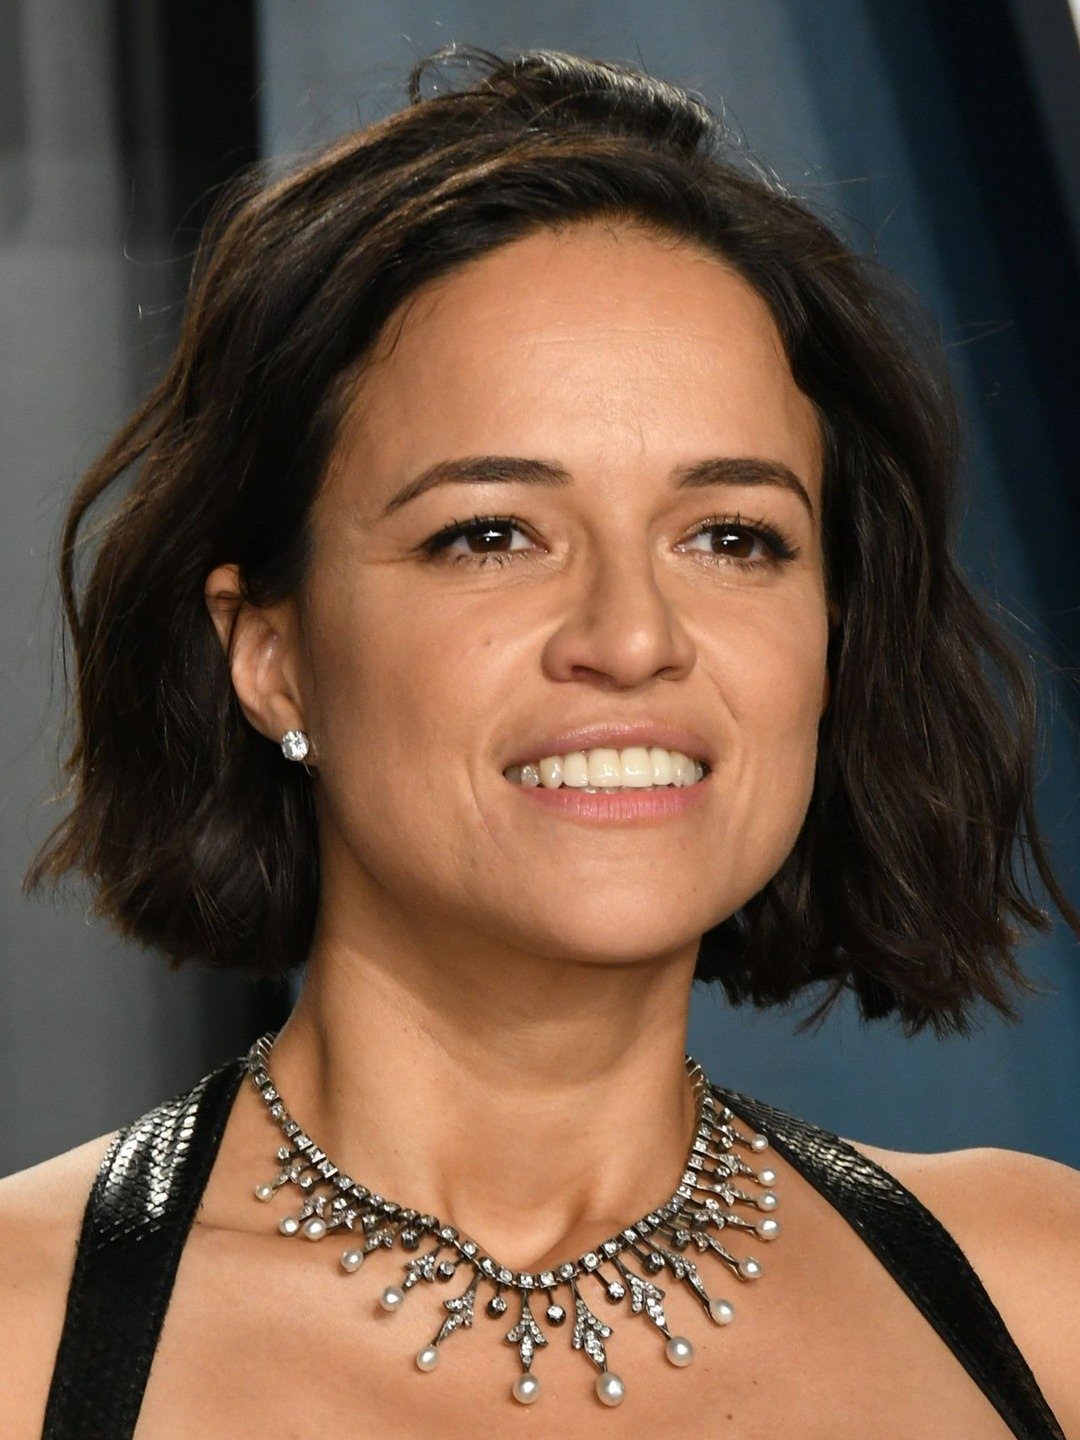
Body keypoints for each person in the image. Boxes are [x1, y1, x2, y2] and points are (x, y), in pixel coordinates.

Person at [2, 41, 1078, 1439]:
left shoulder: (1048, 1299)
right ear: (268, 655)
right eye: (492, 534)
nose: (632, 637)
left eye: (732, 537)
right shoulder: (21, 1332)